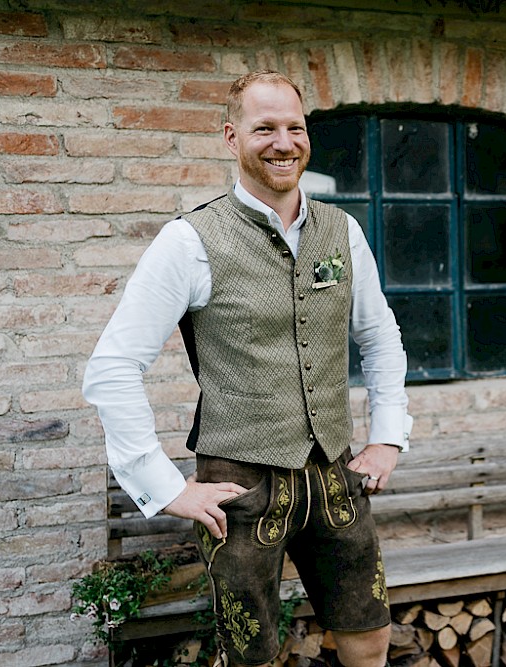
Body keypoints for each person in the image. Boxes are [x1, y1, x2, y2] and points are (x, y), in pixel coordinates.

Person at [83, 70, 411, 667]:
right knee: (250, 656)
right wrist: (165, 487)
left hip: (335, 474)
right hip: (240, 485)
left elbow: (380, 335)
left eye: (295, 127)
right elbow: (112, 367)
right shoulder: (189, 241)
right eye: (265, 128)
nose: (283, 142)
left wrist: (387, 435)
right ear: (232, 138)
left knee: (370, 635)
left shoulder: (343, 230)